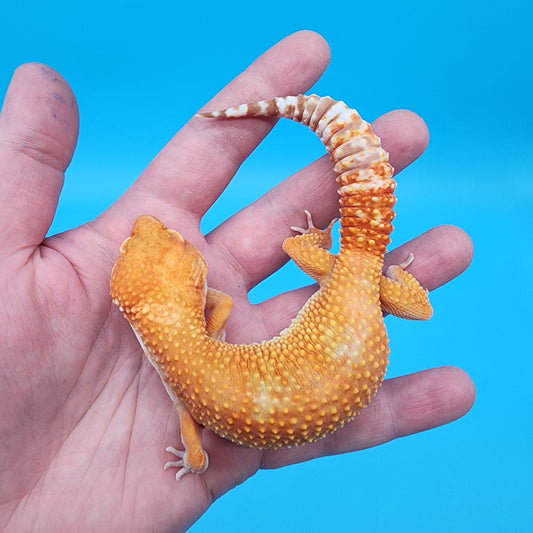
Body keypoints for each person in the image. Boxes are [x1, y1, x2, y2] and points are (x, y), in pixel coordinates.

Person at [0, 31, 475, 532]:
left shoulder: (182, 385)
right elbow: (219, 307)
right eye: (174, 245)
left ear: (127, 301)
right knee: (400, 298)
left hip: (355, 304)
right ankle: (380, 273)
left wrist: (189, 466)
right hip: (349, 297)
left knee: (376, 282)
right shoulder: (197, 353)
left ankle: (386, 277)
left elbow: (199, 459)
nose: (154, 228)